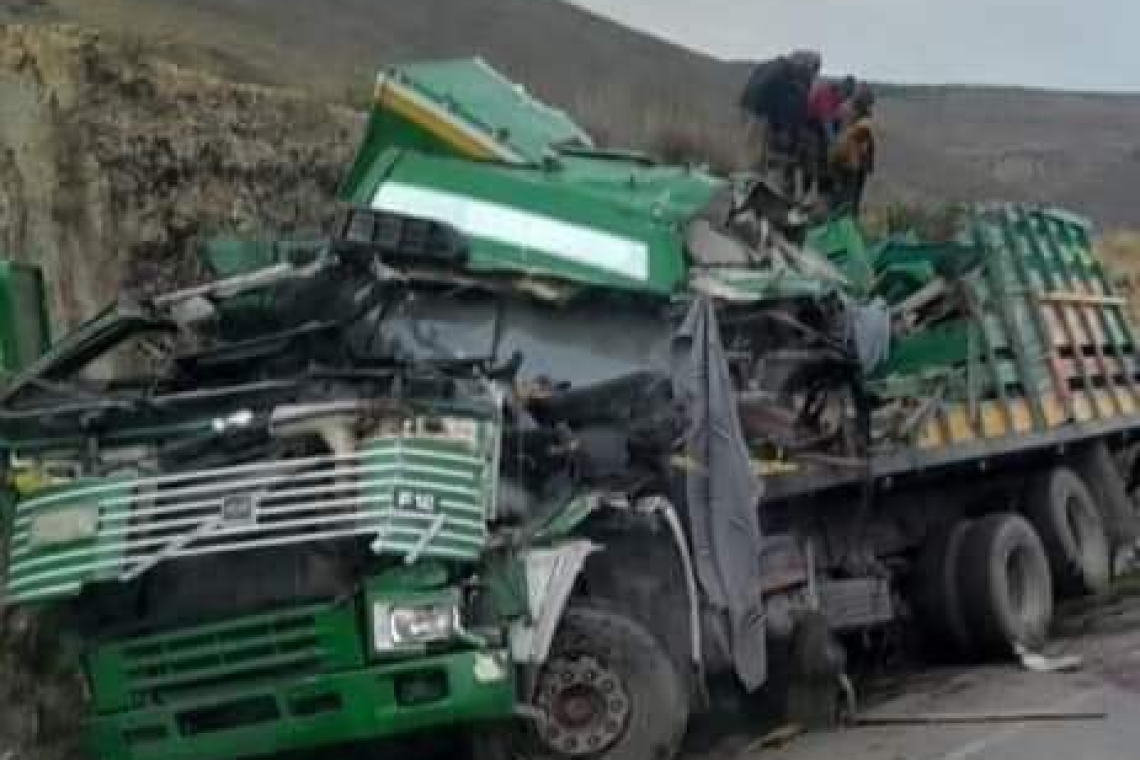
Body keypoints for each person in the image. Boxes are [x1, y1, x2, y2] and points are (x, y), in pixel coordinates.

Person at [739, 50, 822, 170]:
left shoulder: (780, 69)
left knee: (756, 145)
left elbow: (798, 105)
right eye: (813, 68)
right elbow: (789, 103)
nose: (812, 72)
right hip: (761, 112)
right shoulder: (783, 72)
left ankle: (751, 170)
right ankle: (746, 170)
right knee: (754, 144)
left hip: (759, 111)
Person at [829, 85, 876, 215]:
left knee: (839, 192)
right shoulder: (863, 118)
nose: (870, 106)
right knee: (851, 196)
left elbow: (834, 128)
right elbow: (864, 145)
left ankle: (836, 216)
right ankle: (847, 219)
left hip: (838, 156)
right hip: (852, 161)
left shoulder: (842, 107)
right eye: (869, 103)